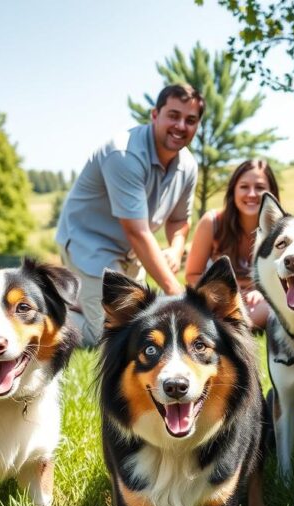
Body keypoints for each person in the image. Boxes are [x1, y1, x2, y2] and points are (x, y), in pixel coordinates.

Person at [55, 84, 203, 346]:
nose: (181, 125)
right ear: (154, 115)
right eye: (173, 115)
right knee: (108, 335)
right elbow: (137, 232)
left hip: (131, 253)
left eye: (190, 120)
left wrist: (176, 248)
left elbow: (180, 220)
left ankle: (82, 301)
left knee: (138, 322)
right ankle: (52, 315)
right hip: (88, 244)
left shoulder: (188, 165)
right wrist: (176, 293)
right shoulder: (124, 154)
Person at [184, 159, 278, 330]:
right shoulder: (212, 222)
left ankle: (237, 327)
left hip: (260, 303)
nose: (251, 194)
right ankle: (233, 326)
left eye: (259, 187)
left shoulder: (281, 228)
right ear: (233, 190)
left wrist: (263, 293)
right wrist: (226, 296)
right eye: (244, 187)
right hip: (217, 299)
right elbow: (192, 275)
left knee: (272, 307)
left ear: (272, 192)